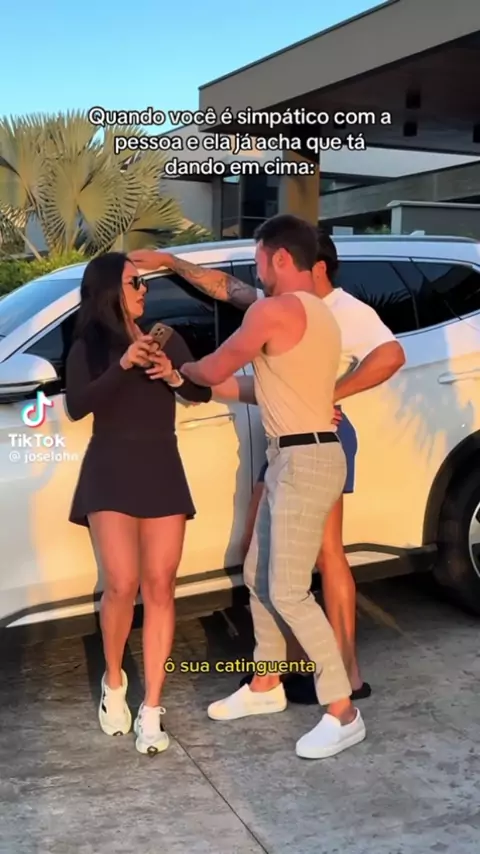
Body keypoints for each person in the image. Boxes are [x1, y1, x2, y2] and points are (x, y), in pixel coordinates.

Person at [130, 233, 405, 703]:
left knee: (323, 555)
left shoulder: (342, 310)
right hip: (283, 441)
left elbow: (393, 355)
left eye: (264, 261)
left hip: (318, 435)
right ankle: (280, 671)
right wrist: (170, 262)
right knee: (262, 555)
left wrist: (328, 394)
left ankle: (344, 679)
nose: (259, 274)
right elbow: (227, 288)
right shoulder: (279, 304)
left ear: (307, 264)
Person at [65, 252, 213, 756]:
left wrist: (173, 375)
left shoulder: (166, 339)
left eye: (144, 282)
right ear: (111, 288)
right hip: (109, 469)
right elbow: (77, 404)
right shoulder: (89, 345)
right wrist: (124, 364)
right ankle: (114, 681)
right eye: (134, 282)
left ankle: (152, 708)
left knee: (161, 586)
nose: (144, 289)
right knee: (122, 584)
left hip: (161, 467)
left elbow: (201, 391)